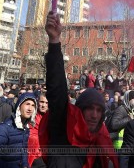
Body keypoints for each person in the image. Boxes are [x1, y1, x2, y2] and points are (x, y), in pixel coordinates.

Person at [39, 12, 118, 168]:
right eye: (89, 109)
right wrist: (54, 41)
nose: (94, 115)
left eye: (99, 110)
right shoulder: (63, 127)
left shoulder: (100, 144)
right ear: (78, 110)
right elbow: (57, 89)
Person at [0, 92, 37, 168]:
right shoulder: (4, 128)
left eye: (33, 105)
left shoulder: (25, 128)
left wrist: (25, 165)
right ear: (19, 106)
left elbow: (23, 152)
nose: (30, 109)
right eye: (27, 104)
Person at [28, 93, 48, 168]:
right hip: (35, 156)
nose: (44, 105)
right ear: (37, 102)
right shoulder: (30, 115)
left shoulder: (52, 117)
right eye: (42, 102)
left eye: (47, 103)